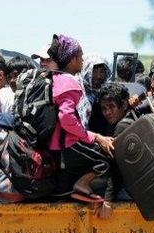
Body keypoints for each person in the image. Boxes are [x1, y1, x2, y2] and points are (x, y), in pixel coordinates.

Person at [47, 34, 115, 218]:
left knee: (62, 191)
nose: (83, 59)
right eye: (81, 56)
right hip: (69, 142)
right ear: (72, 59)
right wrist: (91, 138)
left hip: (56, 144)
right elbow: (67, 117)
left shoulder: (55, 78)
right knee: (106, 161)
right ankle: (82, 184)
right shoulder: (71, 82)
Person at [79, 54, 112, 133]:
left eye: (102, 71)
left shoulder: (105, 92)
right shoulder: (78, 92)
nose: (99, 76)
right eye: (94, 71)